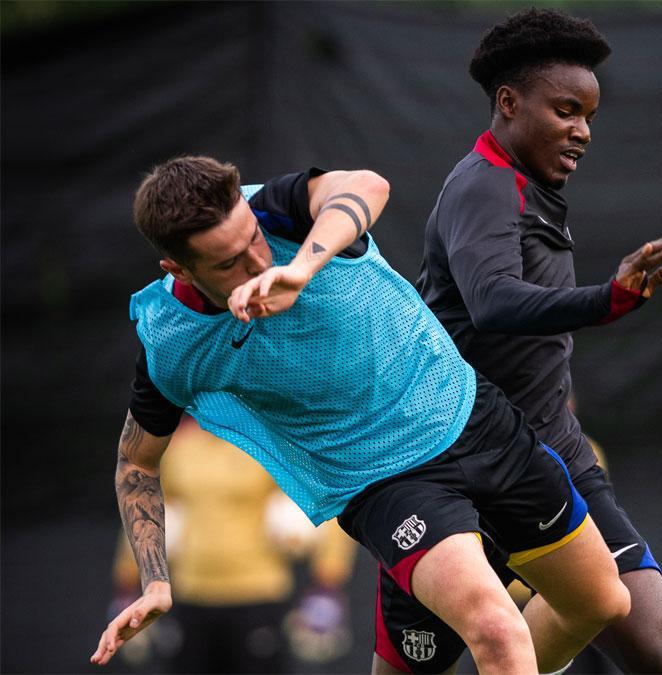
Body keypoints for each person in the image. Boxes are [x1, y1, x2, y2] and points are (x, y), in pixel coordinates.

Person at [90, 156, 631, 674]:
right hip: (384, 483)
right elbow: (136, 465)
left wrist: (301, 267)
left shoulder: (278, 208)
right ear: (177, 267)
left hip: (471, 416)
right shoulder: (172, 341)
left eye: (252, 239)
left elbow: (369, 184)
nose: (256, 261)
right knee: (496, 631)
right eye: (228, 262)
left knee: (602, 602)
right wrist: (156, 581)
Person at [415, 9, 662, 673]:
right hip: (482, 460)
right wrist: (610, 297)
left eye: (590, 115)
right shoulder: (482, 186)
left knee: (660, 648)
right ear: (509, 103)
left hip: (557, 449)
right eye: (567, 110)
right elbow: (492, 301)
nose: (582, 131)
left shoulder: (531, 187)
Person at [108, 416, 357, 673]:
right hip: (189, 596)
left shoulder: (270, 441)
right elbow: (146, 509)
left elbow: (325, 502)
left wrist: (328, 582)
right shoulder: (178, 445)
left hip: (259, 596)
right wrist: (128, 583)